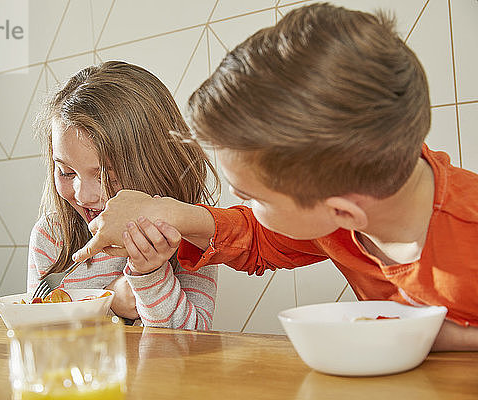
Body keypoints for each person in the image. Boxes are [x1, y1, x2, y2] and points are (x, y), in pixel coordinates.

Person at [71, 4, 478, 350]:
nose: (237, 196)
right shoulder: (343, 205)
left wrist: (446, 337)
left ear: (344, 213)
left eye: (253, 196)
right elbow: (260, 238)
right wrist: (166, 213)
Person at [27, 61, 219, 330]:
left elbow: (193, 343)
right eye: (66, 173)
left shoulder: (189, 232)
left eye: (108, 176)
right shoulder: (53, 235)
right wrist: (107, 300)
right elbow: (39, 334)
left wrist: (149, 274)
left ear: (155, 165)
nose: (83, 195)